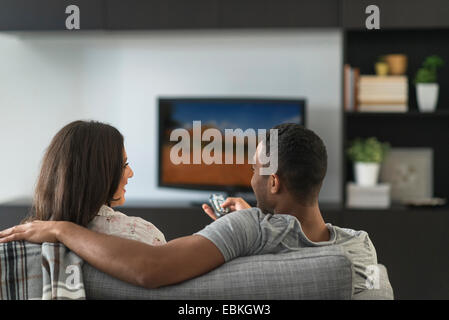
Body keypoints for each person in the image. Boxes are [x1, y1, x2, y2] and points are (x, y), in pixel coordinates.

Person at [0, 123, 377, 294]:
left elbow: (152, 268)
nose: (250, 178)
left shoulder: (246, 228)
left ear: (273, 183)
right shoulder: (359, 250)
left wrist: (63, 229)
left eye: (254, 171)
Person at [21, 120, 166, 246]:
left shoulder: (24, 238)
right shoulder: (144, 236)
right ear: (99, 175)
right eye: (124, 165)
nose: (131, 172)